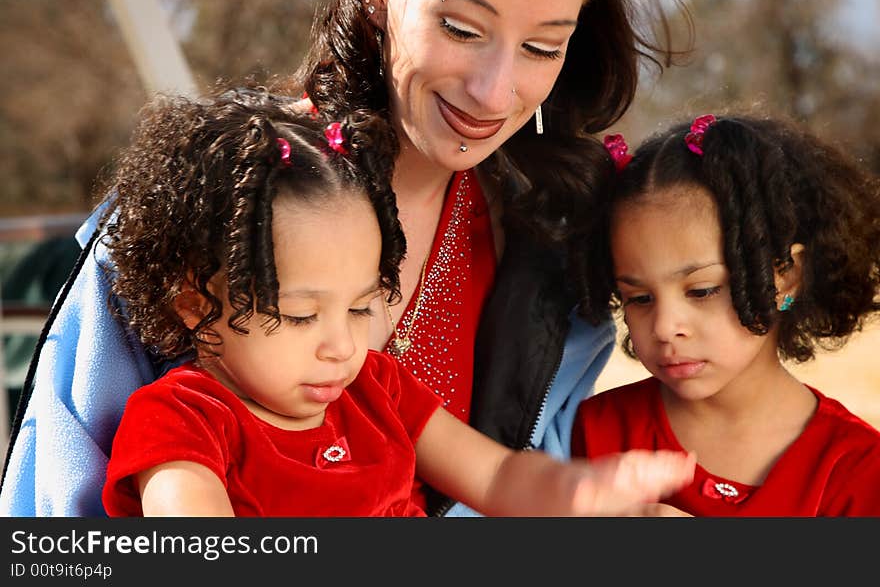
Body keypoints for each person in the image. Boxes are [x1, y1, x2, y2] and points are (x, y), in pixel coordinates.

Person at [1, 0, 691, 516]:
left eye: (542, 47)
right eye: (461, 28)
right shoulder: (211, 201)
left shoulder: (556, 252)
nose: (493, 91)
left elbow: (513, 483)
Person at [99, 87, 694, 516]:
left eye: (361, 309)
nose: (342, 346)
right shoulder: (184, 421)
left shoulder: (375, 387)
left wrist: (583, 492)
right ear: (192, 301)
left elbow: (497, 476)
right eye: (301, 315)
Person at [571, 113, 880, 516]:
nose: (665, 328)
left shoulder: (857, 469)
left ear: (785, 277)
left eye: (701, 290)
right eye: (639, 298)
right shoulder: (597, 431)